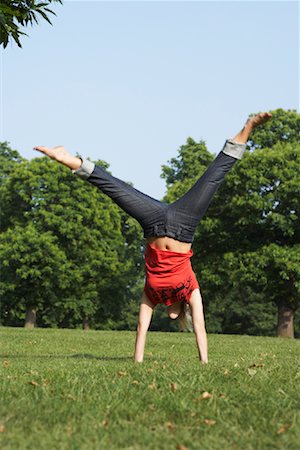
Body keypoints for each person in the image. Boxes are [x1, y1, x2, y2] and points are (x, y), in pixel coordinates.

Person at [34, 112, 272, 364]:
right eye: (175, 313)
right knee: (213, 176)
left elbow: (141, 327)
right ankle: (249, 127)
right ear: (181, 311)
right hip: (184, 223)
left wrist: (137, 362)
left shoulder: (152, 294)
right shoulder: (190, 291)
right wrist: (205, 363)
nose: (170, 314)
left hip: (155, 223)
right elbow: (200, 327)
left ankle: (67, 159)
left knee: (115, 189)